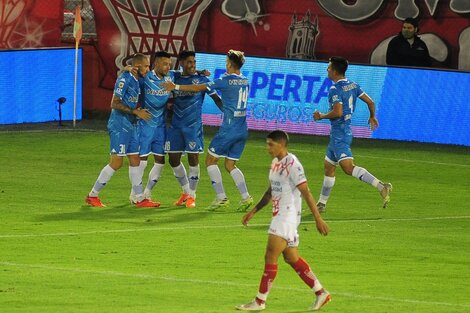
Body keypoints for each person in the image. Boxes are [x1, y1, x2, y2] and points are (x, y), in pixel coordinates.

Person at [236, 130, 330, 311]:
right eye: (267, 144)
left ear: (282, 144)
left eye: (271, 144)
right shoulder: (275, 163)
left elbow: (306, 193)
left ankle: (259, 301)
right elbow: (271, 191)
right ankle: (321, 292)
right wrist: (254, 211)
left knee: (270, 255)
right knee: (291, 257)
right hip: (279, 214)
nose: (267, 148)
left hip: (287, 216)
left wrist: (318, 219)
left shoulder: (293, 165)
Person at [162, 49, 253, 212]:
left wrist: (174, 86)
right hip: (243, 128)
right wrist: (196, 72)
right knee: (231, 164)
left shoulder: (224, 80)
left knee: (210, 161)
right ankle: (246, 197)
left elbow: (199, 87)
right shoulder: (245, 81)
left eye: (227, 62)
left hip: (229, 129)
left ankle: (221, 197)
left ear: (230, 64)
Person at [313, 56, 392, 213]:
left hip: (340, 133)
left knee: (348, 169)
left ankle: (381, 186)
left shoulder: (335, 89)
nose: (327, 70)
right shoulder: (353, 85)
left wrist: (321, 116)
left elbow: (338, 112)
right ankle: (321, 204)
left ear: (335, 71)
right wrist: (372, 116)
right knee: (329, 167)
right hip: (342, 131)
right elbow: (370, 102)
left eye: (329, 68)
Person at [85, 53, 158, 208]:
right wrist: (135, 112)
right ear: (137, 67)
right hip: (119, 125)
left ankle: (139, 198)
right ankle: (92, 195)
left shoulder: (138, 80)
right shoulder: (124, 79)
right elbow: (114, 103)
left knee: (135, 160)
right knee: (117, 162)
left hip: (131, 125)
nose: (148, 69)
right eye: (145, 66)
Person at [166, 50, 223, 208]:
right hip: (176, 125)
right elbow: (161, 72)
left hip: (193, 126)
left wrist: (227, 112)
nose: (192, 65)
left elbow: (216, 98)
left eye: (194, 62)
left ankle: (192, 195)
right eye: (189, 62)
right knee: (173, 160)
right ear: (182, 63)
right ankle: (185, 191)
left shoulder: (202, 79)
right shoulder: (174, 77)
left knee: (193, 160)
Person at [131, 51, 175, 206]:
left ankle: (147, 193)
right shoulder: (146, 77)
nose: (167, 67)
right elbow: (130, 71)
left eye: (169, 64)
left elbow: (187, 75)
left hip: (161, 125)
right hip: (145, 124)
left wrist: (200, 72)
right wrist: (125, 69)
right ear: (155, 64)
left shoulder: (171, 77)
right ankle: (135, 194)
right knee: (141, 160)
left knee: (160, 161)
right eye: (164, 63)